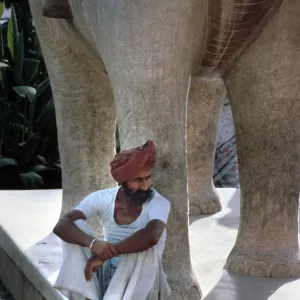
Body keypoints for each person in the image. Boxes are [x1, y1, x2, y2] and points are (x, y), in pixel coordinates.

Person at [52, 140, 171, 300]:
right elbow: (62, 225)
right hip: (107, 274)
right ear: (123, 181)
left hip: (141, 283)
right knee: (76, 226)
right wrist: (93, 244)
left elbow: (151, 236)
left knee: (142, 245)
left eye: (147, 178)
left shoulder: (159, 202)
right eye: (138, 180)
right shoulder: (103, 198)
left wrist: (104, 254)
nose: (145, 186)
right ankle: (88, 296)